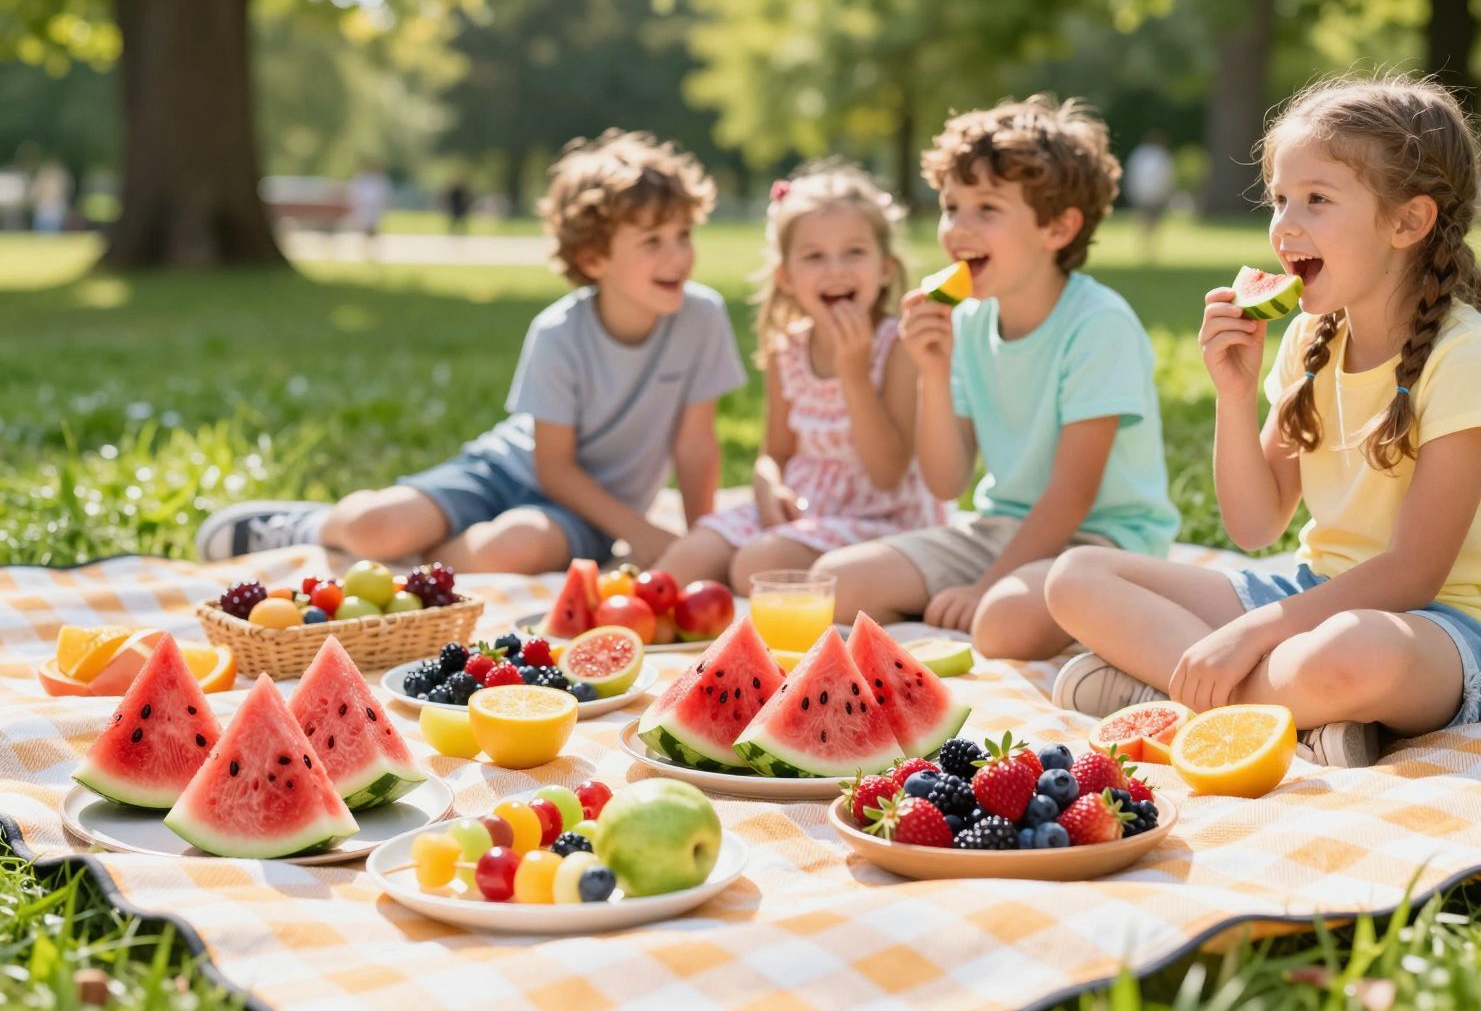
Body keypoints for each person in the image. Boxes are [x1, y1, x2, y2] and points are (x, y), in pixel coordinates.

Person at [1045, 76, 1481, 768]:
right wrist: (1233, 393)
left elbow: (1413, 574)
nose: (1284, 224)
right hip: (1312, 593)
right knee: (1075, 576)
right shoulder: (1311, 336)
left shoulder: (1468, 357)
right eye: (1279, 198)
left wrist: (1248, 635)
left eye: (1316, 200)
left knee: (1351, 654)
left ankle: (1174, 689)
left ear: (1407, 222)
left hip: (1450, 630)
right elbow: (1254, 526)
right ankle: (1294, 719)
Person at [196, 130, 746, 573]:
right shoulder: (558, 333)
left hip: (593, 513)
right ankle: (312, 529)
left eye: (684, 235)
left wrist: (701, 547)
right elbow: (553, 468)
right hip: (507, 470)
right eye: (653, 241)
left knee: (516, 549)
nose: (679, 256)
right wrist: (641, 532)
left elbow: (697, 448)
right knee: (376, 527)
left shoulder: (703, 318)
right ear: (594, 257)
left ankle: (412, 563)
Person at [812, 97, 1179, 660]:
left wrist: (986, 588)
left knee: (1004, 622)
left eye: (986, 209)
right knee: (832, 581)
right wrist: (932, 373)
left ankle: (1102, 621)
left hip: (1105, 543)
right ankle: (977, 604)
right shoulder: (969, 319)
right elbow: (945, 481)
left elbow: (1072, 494)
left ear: (1058, 227)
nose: (958, 229)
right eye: (950, 206)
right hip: (1002, 530)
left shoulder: (1098, 325)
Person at [656, 164, 947, 593]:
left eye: (854, 252)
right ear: (786, 278)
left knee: (758, 565)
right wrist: (767, 486)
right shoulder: (786, 348)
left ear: (886, 268)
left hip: (878, 517)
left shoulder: (898, 345)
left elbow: (888, 473)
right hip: (800, 508)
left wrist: (854, 371)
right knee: (682, 564)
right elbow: (774, 452)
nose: (836, 270)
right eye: (814, 256)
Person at [1122, 131, 1175, 261]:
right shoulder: (1158, 155)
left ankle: (1148, 245)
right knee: (1148, 221)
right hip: (1149, 194)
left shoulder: (1140, 154)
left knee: (1148, 221)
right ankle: (1146, 245)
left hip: (1147, 194)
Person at [348, 162, 391, 239]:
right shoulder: (363, 179)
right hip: (365, 205)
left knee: (374, 224)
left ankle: (372, 239)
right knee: (365, 223)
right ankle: (366, 239)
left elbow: (385, 194)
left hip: (375, 206)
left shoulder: (380, 180)